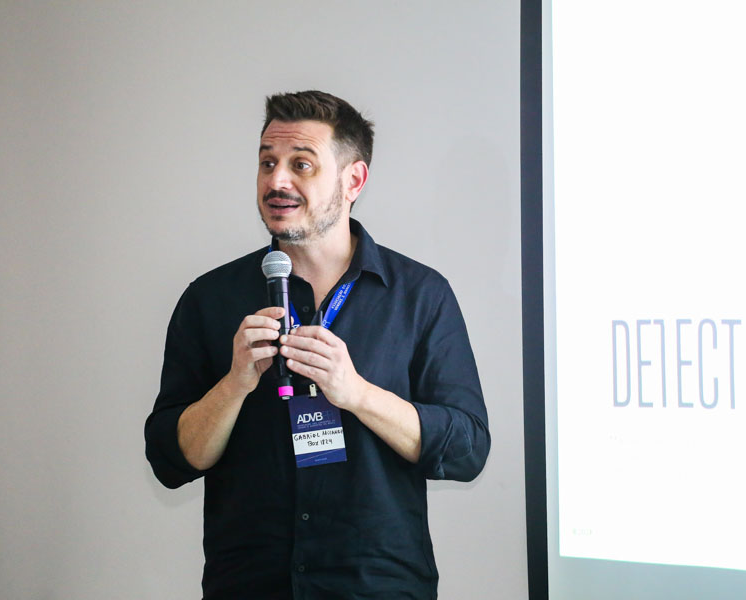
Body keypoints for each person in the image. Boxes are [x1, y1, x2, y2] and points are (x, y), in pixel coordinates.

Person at [145, 90, 490, 599]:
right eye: (267, 162)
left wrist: (357, 394)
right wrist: (234, 385)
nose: (277, 181)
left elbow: (467, 449)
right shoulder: (210, 299)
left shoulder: (420, 295)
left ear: (354, 181)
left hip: (376, 588)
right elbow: (171, 460)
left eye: (301, 164)